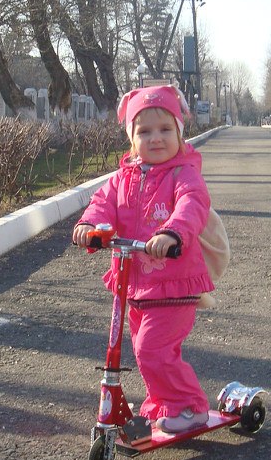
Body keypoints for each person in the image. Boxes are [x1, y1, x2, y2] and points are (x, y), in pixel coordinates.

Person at [72, 85, 214, 433]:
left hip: (172, 281)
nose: (155, 139)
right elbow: (102, 203)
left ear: (180, 132)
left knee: (153, 350)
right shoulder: (124, 178)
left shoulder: (184, 175)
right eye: (144, 131)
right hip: (134, 283)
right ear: (131, 138)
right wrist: (90, 225)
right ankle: (166, 402)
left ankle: (189, 406)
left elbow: (192, 205)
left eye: (166, 130)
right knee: (144, 350)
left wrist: (171, 234)